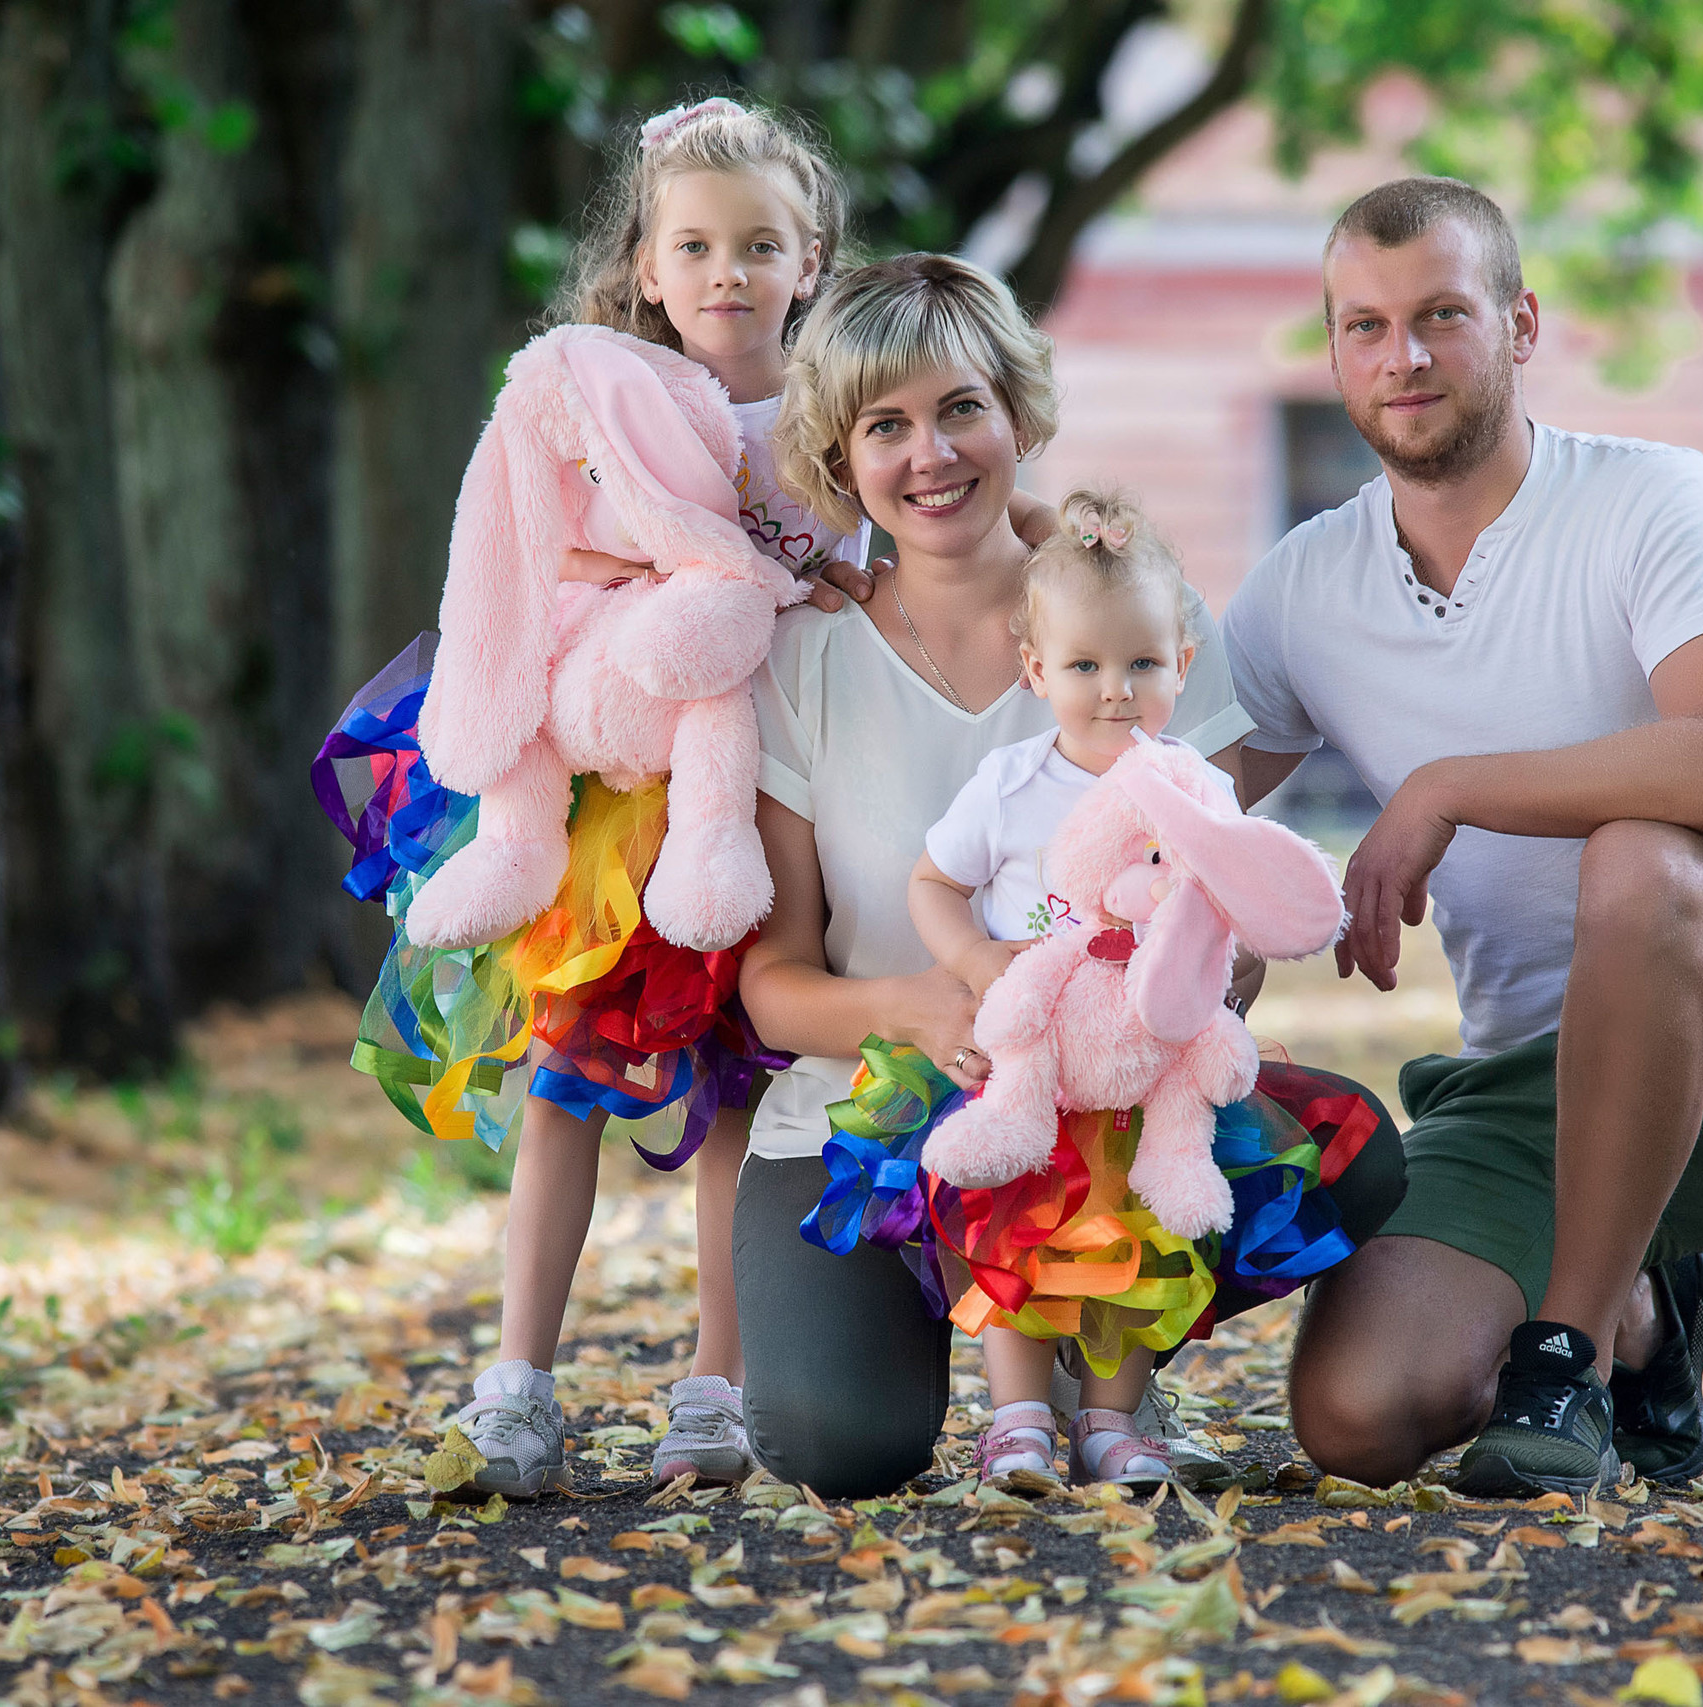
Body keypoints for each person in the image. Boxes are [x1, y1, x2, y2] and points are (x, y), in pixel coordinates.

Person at [1225, 177, 1703, 1496]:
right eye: (1365, 326)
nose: (1403, 358)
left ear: (1520, 324)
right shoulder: (1304, 586)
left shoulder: (1649, 498)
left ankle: (1564, 1353)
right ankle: (1644, 1316)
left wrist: (1447, 786)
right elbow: (1159, 801)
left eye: (1441, 315)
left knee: (1639, 856)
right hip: (1527, 1094)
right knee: (1354, 1416)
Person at [732, 254, 1406, 1498]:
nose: (930, 454)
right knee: (840, 1445)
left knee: (1353, 1155)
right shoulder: (798, 661)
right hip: (867, 1107)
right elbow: (769, 988)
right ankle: (992, 1349)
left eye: (961, 409)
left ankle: (1105, 1353)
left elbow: (1222, 907)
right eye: (885, 426)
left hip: (1108, 1096)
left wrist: (1196, 970)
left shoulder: (1140, 629)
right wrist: (916, 1008)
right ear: (840, 454)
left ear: (1018, 416)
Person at [443, 96, 871, 1499]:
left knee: (742, 1082)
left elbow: (876, 561)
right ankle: (518, 1383)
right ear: (644, 265)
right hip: (626, 793)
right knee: (567, 1076)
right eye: (693, 246)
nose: (726, 272)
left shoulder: (833, 414)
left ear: (811, 260)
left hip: (776, 790)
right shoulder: (602, 400)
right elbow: (538, 552)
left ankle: (718, 1380)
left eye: (759, 244)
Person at [908, 491, 1242, 1488]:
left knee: (1141, 1236)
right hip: (1037, 1065)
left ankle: (1110, 1418)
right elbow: (932, 883)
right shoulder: (1010, 785)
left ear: (1183, 663)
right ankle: (1017, 1417)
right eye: (1085, 665)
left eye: (1143, 663)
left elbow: (1235, 904)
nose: (1115, 690)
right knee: (1017, 1224)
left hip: (1146, 1066)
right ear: (1036, 670)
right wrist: (977, 963)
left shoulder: (1195, 790)